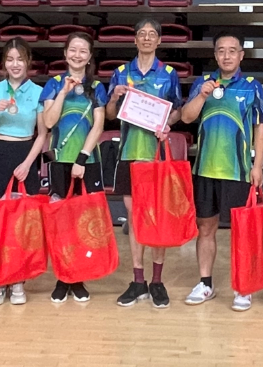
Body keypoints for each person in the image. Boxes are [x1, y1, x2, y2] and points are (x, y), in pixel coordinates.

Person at [180, 31, 263, 312]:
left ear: (241, 55)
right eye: (221, 51)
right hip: (205, 169)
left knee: (241, 232)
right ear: (215, 55)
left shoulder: (252, 87)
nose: (227, 56)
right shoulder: (203, 83)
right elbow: (187, 117)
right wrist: (202, 95)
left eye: (232, 51)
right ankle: (205, 283)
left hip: (238, 171)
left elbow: (260, 129)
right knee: (205, 227)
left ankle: (243, 287)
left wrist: (258, 166)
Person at [106, 18, 182, 308]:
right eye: (142, 34)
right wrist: (114, 97)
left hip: (156, 155)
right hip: (129, 154)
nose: (147, 38)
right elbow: (110, 114)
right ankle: (138, 280)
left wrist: (167, 124)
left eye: (152, 34)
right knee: (135, 217)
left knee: (157, 217)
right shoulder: (121, 73)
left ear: (159, 40)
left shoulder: (169, 74)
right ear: (135, 39)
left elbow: (176, 110)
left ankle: (157, 281)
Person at [40, 31, 109, 304]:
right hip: (58, 160)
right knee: (61, 221)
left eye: (83, 51)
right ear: (65, 53)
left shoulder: (96, 87)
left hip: (87, 161)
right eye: (73, 50)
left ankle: (78, 277)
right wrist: (63, 93)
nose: (77, 55)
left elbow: (98, 126)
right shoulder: (54, 84)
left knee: (83, 221)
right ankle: (63, 276)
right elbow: (48, 122)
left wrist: (82, 158)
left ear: (89, 57)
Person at [0, 37, 47, 306]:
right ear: (4, 63)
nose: (15, 64)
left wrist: (28, 163)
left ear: (28, 62)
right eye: (10, 59)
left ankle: (18, 279)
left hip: (25, 153)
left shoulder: (39, 92)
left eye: (20, 59)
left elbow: (42, 134)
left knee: (21, 223)